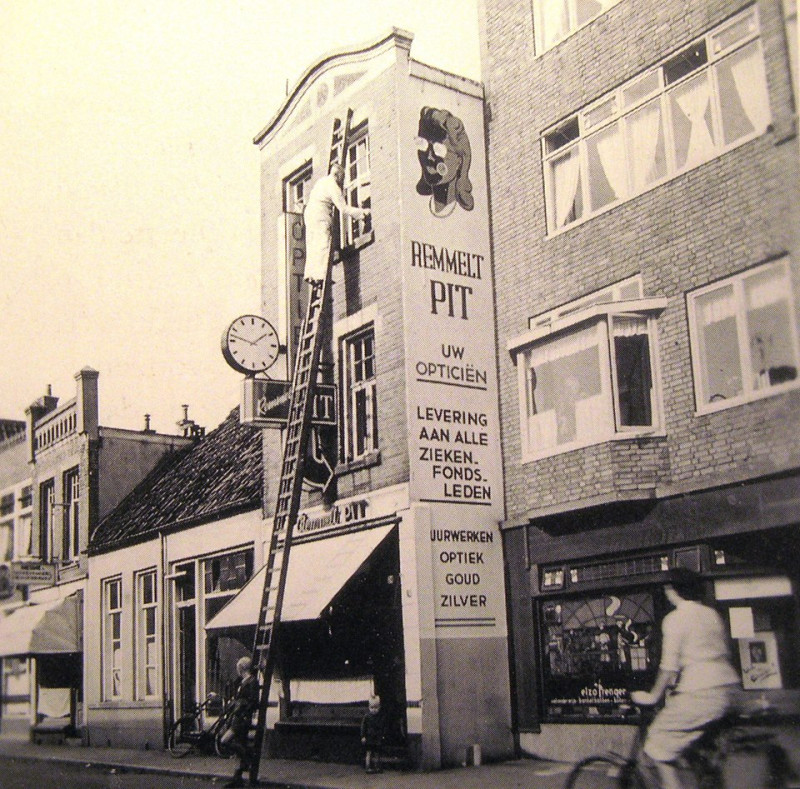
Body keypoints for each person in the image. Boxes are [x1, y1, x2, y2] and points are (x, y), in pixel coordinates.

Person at [631, 568, 739, 789]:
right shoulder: (711, 614)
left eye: (668, 588)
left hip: (700, 693)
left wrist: (652, 697)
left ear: (674, 590)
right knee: (696, 749)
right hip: (729, 690)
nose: (666, 592)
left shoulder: (676, 618)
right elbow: (723, 651)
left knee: (657, 744)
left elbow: (669, 666)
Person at [303, 162, 370, 285]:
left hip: (309, 215)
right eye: (341, 179)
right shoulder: (332, 186)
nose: (341, 182)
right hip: (320, 215)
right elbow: (343, 208)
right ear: (338, 176)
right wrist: (362, 213)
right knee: (323, 244)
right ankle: (321, 276)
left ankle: (310, 274)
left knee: (312, 245)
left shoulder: (321, 181)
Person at [220, 656, 260, 787]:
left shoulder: (252, 682)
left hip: (242, 719)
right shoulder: (243, 681)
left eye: (238, 668)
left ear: (241, 668)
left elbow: (253, 701)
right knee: (238, 743)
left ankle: (248, 756)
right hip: (237, 718)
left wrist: (242, 708)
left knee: (224, 740)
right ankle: (237, 779)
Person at [360, 694, 385, 774]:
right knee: (369, 752)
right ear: (369, 707)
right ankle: (368, 767)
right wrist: (363, 736)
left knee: (377, 753)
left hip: (377, 737)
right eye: (372, 708)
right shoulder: (367, 717)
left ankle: (377, 766)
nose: (374, 710)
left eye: (376, 708)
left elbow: (382, 726)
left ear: (379, 707)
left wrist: (382, 735)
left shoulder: (380, 717)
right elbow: (363, 727)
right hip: (369, 737)